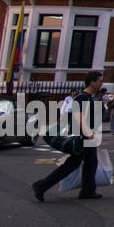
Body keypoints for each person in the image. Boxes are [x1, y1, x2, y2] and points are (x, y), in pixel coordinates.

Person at [33, 70, 104, 201]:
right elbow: (78, 116)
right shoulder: (82, 97)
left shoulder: (90, 98)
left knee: (90, 163)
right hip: (82, 138)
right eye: (100, 81)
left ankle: (88, 191)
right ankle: (41, 186)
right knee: (72, 165)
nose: (102, 83)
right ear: (92, 82)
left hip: (86, 137)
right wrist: (88, 133)